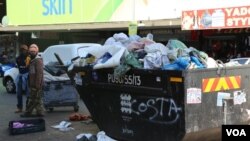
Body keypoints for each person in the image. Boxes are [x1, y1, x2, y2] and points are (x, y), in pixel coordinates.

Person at [21, 44, 44, 117]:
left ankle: (28, 112)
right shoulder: (32, 60)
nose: (32, 52)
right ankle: (40, 112)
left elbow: (39, 74)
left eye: (34, 51)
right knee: (37, 99)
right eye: (31, 51)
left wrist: (37, 85)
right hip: (32, 83)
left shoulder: (38, 60)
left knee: (32, 99)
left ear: (37, 52)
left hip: (36, 84)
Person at [15, 44, 30, 113]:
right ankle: (19, 107)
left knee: (28, 93)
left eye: (25, 50)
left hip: (27, 76)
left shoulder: (29, 58)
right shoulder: (18, 58)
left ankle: (27, 108)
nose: (23, 51)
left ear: (27, 50)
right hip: (20, 76)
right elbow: (19, 66)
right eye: (22, 50)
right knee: (19, 93)